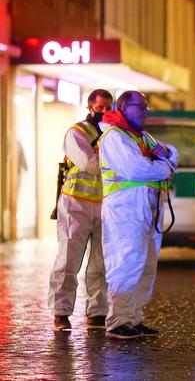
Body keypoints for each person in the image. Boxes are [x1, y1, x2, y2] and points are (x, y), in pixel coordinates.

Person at [99, 91, 179, 339]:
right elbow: (137, 169)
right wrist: (165, 167)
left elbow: (172, 153)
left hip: (145, 207)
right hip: (125, 208)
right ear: (123, 107)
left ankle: (133, 318)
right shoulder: (114, 137)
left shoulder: (140, 136)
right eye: (141, 106)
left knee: (145, 264)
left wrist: (166, 162)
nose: (146, 111)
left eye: (147, 106)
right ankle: (118, 320)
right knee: (126, 260)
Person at [49, 89, 113, 331]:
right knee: (68, 260)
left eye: (109, 108)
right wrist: (118, 163)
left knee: (101, 262)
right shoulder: (77, 132)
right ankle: (61, 312)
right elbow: (88, 163)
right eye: (100, 108)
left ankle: (97, 312)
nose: (105, 113)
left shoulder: (111, 134)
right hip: (76, 203)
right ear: (90, 107)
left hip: (104, 204)